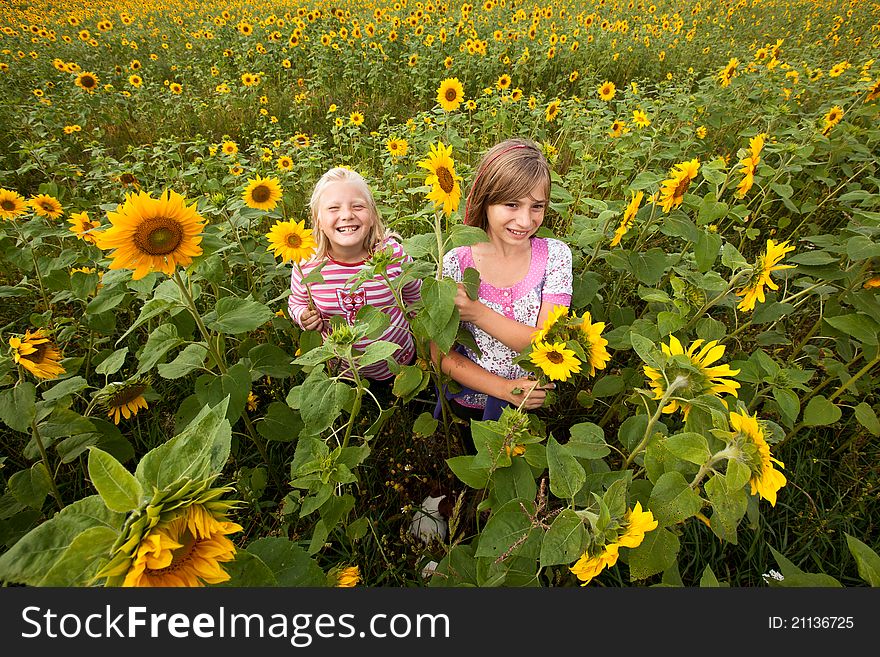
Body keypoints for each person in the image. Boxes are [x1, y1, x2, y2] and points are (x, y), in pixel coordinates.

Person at [433, 137, 573, 443]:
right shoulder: (456, 261)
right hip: (471, 400)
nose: (525, 220)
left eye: (537, 206)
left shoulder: (555, 256)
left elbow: (547, 342)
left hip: (532, 400)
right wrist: (503, 389)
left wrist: (478, 313)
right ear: (486, 199)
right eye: (511, 204)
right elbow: (439, 354)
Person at [288, 166, 421, 384]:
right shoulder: (307, 265)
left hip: (398, 363)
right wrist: (303, 316)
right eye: (333, 208)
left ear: (372, 215)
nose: (347, 215)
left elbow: (415, 299)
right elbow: (297, 302)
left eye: (358, 206)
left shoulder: (392, 255)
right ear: (318, 220)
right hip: (344, 369)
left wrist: (423, 340)